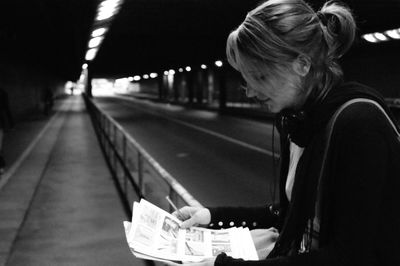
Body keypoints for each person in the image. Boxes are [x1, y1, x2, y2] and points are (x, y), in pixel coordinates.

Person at [172, 0, 400, 265]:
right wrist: (211, 216)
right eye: (246, 80)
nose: (252, 92)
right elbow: (289, 216)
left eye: (261, 77)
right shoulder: (297, 122)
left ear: (302, 65)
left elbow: (348, 255)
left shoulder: (359, 125)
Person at [0, 87, 14, 174]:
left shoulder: (2, 93)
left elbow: (6, 108)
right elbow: (6, 108)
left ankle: (1, 165)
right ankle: (1, 165)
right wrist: (11, 122)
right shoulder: (2, 92)